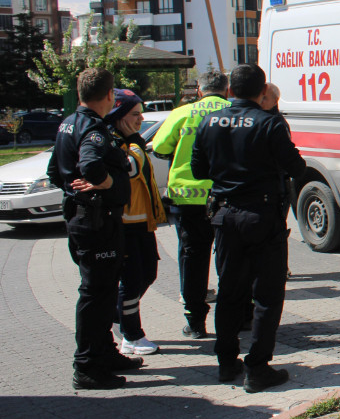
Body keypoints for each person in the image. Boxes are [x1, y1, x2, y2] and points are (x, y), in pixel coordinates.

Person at [192, 64, 306, 393]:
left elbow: (199, 169)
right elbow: (295, 167)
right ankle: (257, 367)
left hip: (225, 215)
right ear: (261, 93)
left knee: (229, 292)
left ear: (229, 91)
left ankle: (226, 362)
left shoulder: (208, 121)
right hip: (262, 216)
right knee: (267, 295)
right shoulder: (269, 123)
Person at [48, 69, 144, 389]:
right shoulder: (94, 128)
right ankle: (87, 365)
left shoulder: (67, 123)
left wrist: (76, 190)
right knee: (96, 293)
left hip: (84, 218)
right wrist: (102, 184)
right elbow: (90, 165)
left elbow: (53, 172)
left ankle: (105, 352)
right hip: (96, 221)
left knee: (101, 291)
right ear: (109, 96)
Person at [152, 71, 231, 339]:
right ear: (227, 89)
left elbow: (160, 147)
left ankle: (195, 322)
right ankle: (238, 316)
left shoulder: (182, 113)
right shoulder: (235, 110)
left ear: (199, 90)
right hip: (226, 197)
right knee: (230, 258)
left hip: (188, 200)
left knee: (192, 259)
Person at [104, 89, 167, 356]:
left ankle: (118, 313)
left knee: (148, 274)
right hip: (125, 223)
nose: (141, 118)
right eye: (134, 113)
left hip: (143, 220)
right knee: (130, 281)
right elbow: (129, 169)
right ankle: (131, 335)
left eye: (141, 113)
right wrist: (133, 144)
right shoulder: (115, 141)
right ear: (118, 114)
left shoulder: (131, 139)